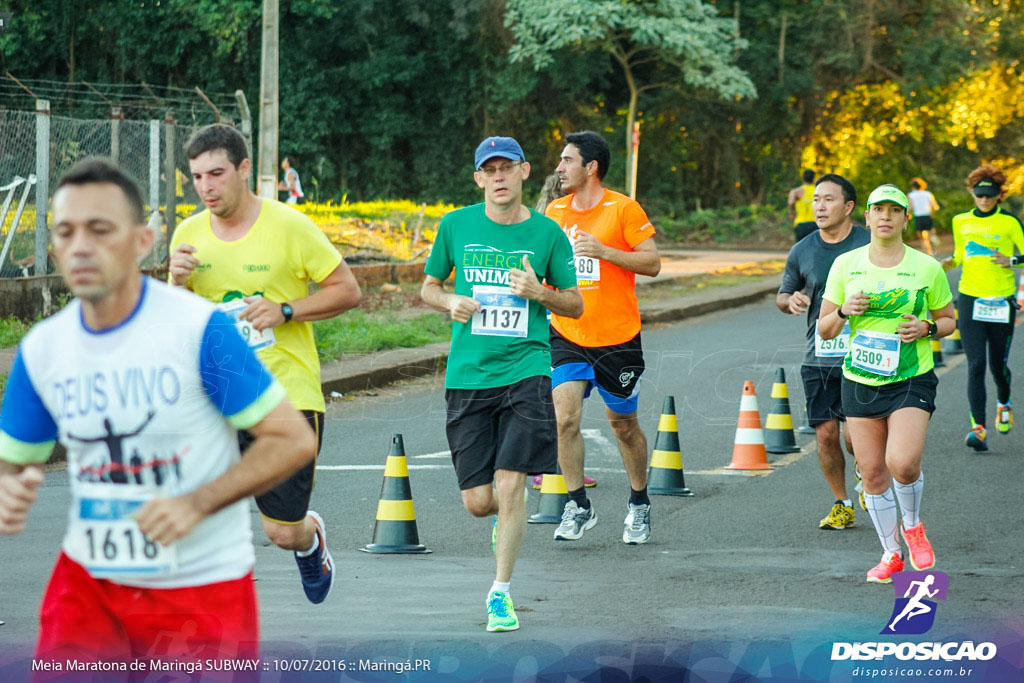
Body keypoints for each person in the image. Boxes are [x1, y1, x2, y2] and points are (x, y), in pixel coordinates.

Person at [0, 158, 317, 663]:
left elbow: (292, 438)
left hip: (200, 590)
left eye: (100, 229)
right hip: (89, 590)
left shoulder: (200, 332)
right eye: (65, 231)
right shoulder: (43, 349)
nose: (80, 245)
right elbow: (12, 459)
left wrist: (195, 502)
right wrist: (9, 485)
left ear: (142, 241)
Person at [169, 124, 362, 604]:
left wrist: (286, 309)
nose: (206, 186)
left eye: (216, 173)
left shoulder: (288, 226)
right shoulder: (189, 235)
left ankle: (310, 539)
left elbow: (348, 290)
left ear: (244, 169)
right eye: (196, 177)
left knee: (281, 531)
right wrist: (173, 281)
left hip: (286, 397)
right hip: (218, 397)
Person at [420, 136, 582, 632]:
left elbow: (575, 304)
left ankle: (500, 594)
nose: (498, 177)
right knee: (478, 501)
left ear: (524, 172)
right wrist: (449, 302)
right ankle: (501, 517)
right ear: (478, 178)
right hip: (468, 373)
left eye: (506, 167)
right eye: (488, 169)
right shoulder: (455, 225)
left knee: (512, 482)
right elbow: (428, 286)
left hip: (527, 369)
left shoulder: (547, 234)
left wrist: (540, 293)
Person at [819, 184, 955, 584]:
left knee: (903, 464)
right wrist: (843, 310)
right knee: (873, 472)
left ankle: (912, 526)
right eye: (878, 209)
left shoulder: (926, 266)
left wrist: (927, 327)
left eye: (894, 210)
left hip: (911, 377)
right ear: (866, 217)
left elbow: (949, 320)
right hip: (860, 379)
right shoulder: (846, 265)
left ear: (904, 218)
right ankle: (891, 552)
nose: (885, 216)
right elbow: (825, 329)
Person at [544, 130, 661, 545]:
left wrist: (605, 252)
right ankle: (578, 504)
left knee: (624, 426)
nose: (559, 168)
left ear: (590, 167)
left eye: (567, 160)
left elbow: (652, 263)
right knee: (564, 419)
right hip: (567, 331)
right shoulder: (555, 212)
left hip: (617, 339)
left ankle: (639, 502)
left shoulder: (623, 209)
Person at [777, 173, 869, 529]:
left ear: (848, 207)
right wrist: (792, 300)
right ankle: (841, 502)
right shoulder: (803, 249)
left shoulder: (869, 244)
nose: (819, 206)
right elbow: (783, 295)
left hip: (863, 353)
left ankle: (867, 470)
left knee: (853, 434)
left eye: (829, 199)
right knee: (827, 434)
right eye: (816, 199)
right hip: (819, 354)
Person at [941, 165, 1024, 451]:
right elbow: (958, 256)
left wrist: (1012, 261)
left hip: (1001, 301)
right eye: (979, 195)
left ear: (999, 195)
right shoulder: (960, 221)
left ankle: (1004, 402)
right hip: (970, 299)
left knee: (997, 366)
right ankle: (978, 428)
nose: (984, 200)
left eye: (989, 196)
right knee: (975, 364)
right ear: (971, 193)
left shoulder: (1010, 223)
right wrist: (942, 265)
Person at [908, 178, 939, 256]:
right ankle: (932, 243)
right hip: (928, 216)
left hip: (918, 217)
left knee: (921, 238)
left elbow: (910, 208)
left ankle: (927, 251)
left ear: (913, 187)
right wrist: (932, 215)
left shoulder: (911, 195)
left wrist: (909, 215)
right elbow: (935, 207)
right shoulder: (928, 194)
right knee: (929, 234)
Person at [789, 169, 817, 242]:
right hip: (816, 224)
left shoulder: (796, 191)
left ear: (802, 178)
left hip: (801, 224)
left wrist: (792, 212)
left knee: (801, 249)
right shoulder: (818, 190)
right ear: (813, 178)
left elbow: (791, 202)